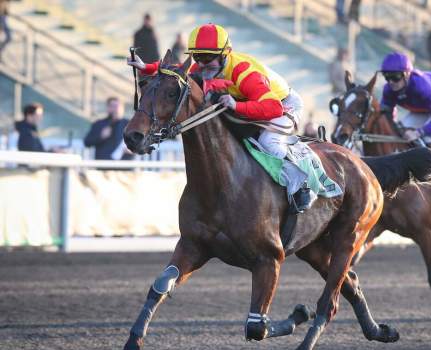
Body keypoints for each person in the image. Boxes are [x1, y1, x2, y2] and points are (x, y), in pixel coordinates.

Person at [127, 23, 310, 212]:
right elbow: (178, 70)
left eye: (207, 57)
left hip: (282, 103)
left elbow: (273, 108)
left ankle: (301, 186)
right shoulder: (204, 64)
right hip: (250, 101)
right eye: (197, 56)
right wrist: (146, 67)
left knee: (268, 140)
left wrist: (236, 105)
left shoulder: (244, 72)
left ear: (226, 53)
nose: (202, 64)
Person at [378, 51, 431, 191]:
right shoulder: (388, 89)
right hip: (421, 109)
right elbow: (386, 114)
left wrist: (419, 132)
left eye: (395, 77)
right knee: (400, 133)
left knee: (430, 136)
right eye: (387, 77)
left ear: (406, 74)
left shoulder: (423, 86)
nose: (391, 82)